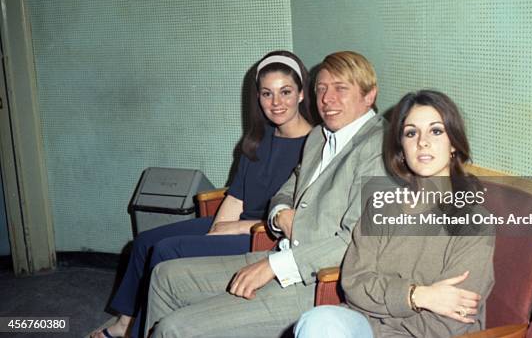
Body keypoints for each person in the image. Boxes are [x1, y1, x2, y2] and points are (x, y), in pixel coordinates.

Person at [143, 51, 388, 337]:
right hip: (281, 253)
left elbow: (356, 244)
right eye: (321, 89)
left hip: (319, 283)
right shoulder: (319, 136)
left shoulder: (382, 150)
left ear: (369, 95)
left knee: (175, 329)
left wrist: (273, 265)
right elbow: (285, 191)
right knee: (164, 277)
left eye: (340, 89)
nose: (327, 99)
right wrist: (279, 214)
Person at [91, 50, 313, 338]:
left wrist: (233, 229)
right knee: (145, 242)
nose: (276, 103)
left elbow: (299, 218)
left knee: (166, 250)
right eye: (267, 94)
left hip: (264, 235)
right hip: (236, 225)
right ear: (257, 98)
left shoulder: (315, 146)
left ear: (301, 94)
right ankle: (125, 323)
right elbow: (236, 196)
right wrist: (217, 231)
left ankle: (140, 333)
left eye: (285, 92)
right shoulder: (259, 139)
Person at [294, 90, 495, 338]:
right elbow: (355, 283)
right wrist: (416, 295)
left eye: (436, 131)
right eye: (411, 133)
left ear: (453, 142)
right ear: (401, 146)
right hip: (365, 325)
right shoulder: (380, 207)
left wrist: (385, 308)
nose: (422, 142)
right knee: (318, 320)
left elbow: (451, 320)